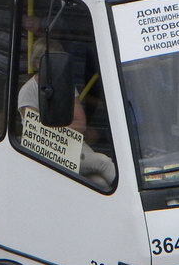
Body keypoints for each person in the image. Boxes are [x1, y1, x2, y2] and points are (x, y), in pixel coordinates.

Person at [17, 39, 115, 188]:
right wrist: (66, 126)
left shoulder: (65, 85)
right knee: (104, 163)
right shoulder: (28, 91)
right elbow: (37, 132)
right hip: (50, 151)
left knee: (100, 182)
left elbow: (80, 124)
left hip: (73, 143)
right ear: (38, 64)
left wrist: (56, 128)